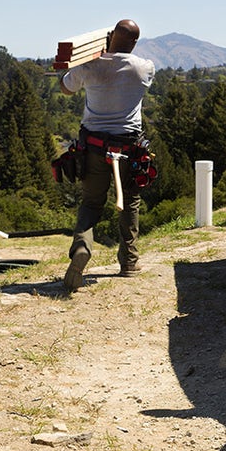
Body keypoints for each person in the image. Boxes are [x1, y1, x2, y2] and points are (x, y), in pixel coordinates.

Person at [60, 19, 155, 291]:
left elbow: (66, 88)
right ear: (135, 42)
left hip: (93, 147)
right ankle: (129, 262)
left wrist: (92, 56)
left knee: (91, 204)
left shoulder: (89, 66)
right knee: (130, 201)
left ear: (110, 36)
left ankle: (82, 247)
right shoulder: (144, 68)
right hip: (129, 148)